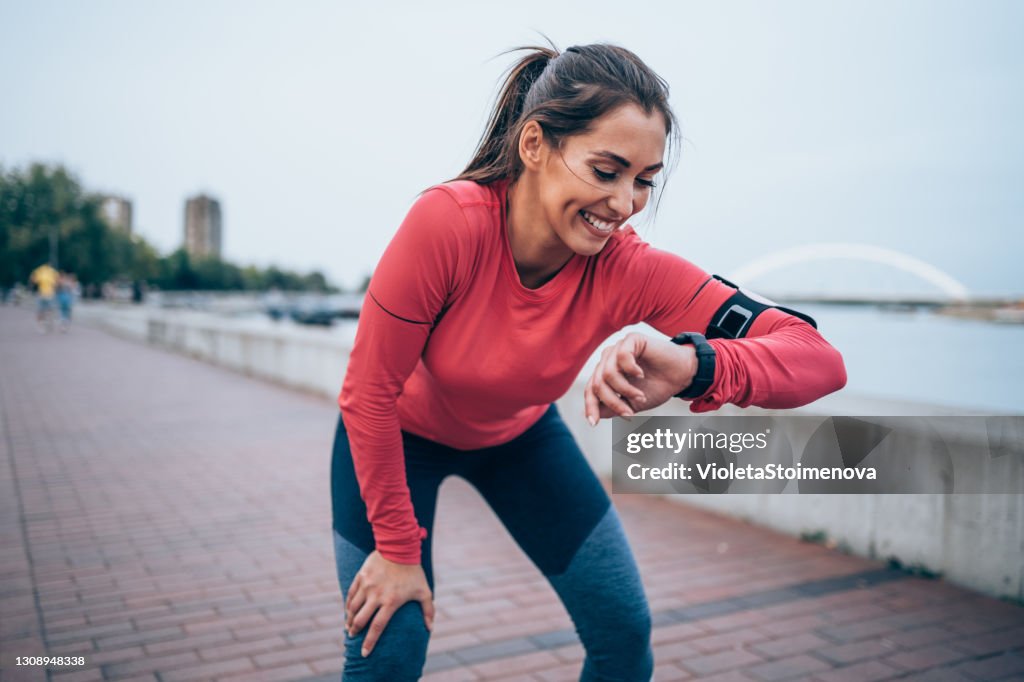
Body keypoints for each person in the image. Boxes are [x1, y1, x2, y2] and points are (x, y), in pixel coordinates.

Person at [331, 42, 847, 681]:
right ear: (534, 146)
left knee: (624, 637)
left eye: (645, 181)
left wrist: (694, 365)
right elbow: (368, 392)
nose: (626, 203)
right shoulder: (449, 223)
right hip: (395, 439)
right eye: (606, 171)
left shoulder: (629, 269)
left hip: (519, 439)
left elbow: (817, 358)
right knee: (393, 646)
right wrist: (398, 550)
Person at [29, 262, 60, 333]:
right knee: (48, 311)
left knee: (42, 311)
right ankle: (47, 323)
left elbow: (33, 280)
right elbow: (57, 282)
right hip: (48, 294)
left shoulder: (40, 270)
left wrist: (32, 283)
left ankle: (43, 325)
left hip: (44, 294)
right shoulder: (52, 271)